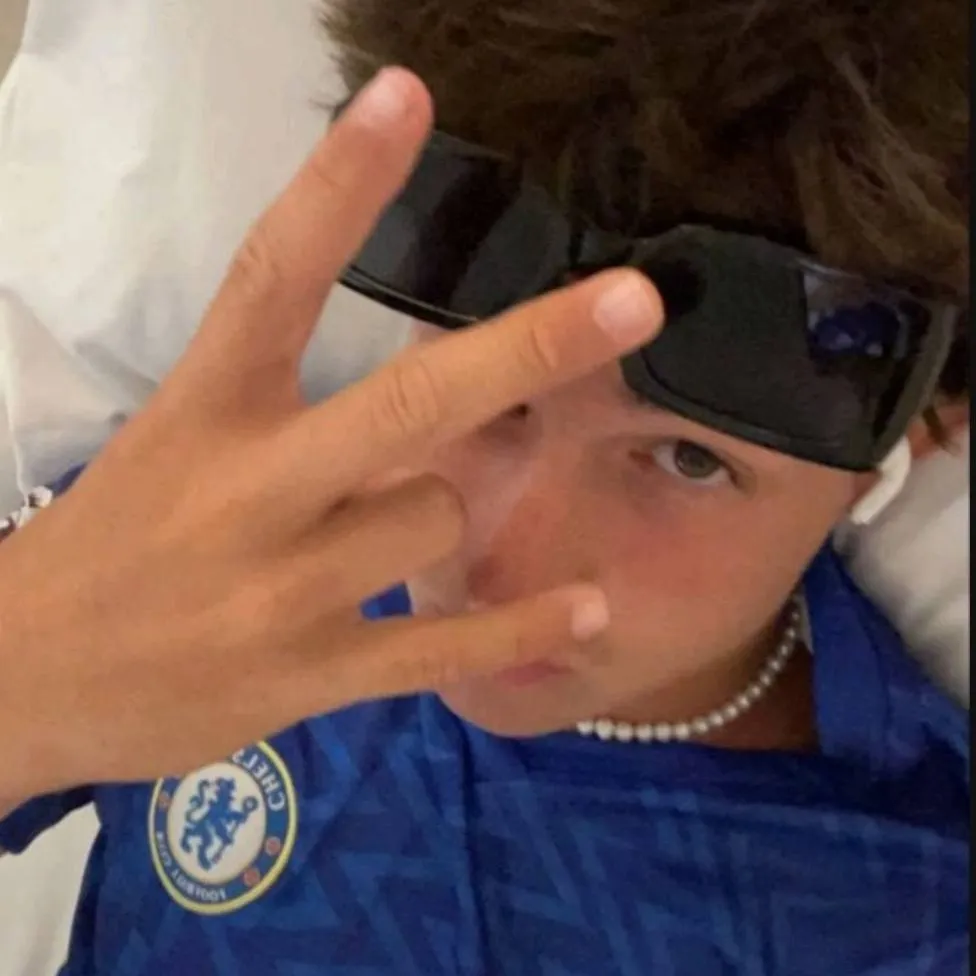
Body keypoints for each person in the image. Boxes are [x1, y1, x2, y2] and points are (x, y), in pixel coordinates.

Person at [0, 0, 969, 970]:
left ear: (920, 431)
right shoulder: (217, 548)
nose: (507, 558)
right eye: (495, 389)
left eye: (690, 459)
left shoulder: (910, 908)